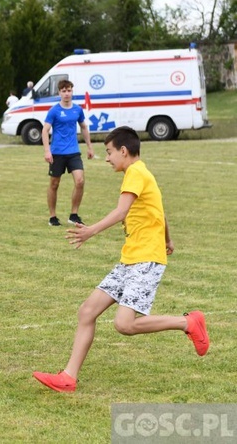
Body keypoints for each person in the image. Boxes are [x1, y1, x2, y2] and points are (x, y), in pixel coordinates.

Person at [32, 126, 209, 393]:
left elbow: (121, 210)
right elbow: (159, 210)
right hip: (131, 259)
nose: (107, 158)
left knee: (124, 324)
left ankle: (188, 322)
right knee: (87, 312)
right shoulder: (142, 173)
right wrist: (168, 239)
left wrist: (91, 230)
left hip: (146, 259)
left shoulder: (135, 173)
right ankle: (68, 377)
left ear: (123, 151)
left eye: (109, 152)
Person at [41, 79, 94, 227]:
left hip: (73, 152)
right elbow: (45, 130)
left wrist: (89, 146)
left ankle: (74, 215)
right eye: (63, 91)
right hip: (57, 152)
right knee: (54, 183)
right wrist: (47, 150)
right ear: (59, 93)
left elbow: (83, 127)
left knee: (80, 181)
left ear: (72, 91)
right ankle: (53, 216)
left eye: (69, 90)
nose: (66, 93)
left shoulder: (77, 109)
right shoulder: (54, 111)